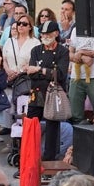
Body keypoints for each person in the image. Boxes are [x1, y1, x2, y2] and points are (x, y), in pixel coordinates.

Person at [26, 20, 70, 162]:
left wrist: (40, 69)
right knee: (31, 126)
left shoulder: (63, 51)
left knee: (52, 129)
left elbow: (61, 74)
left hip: (54, 93)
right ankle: (29, 159)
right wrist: (48, 72)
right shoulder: (36, 51)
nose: (45, 36)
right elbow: (31, 73)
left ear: (56, 33)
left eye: (48, 33)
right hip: (37, 92)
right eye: (43, 33)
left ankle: (49, 160)